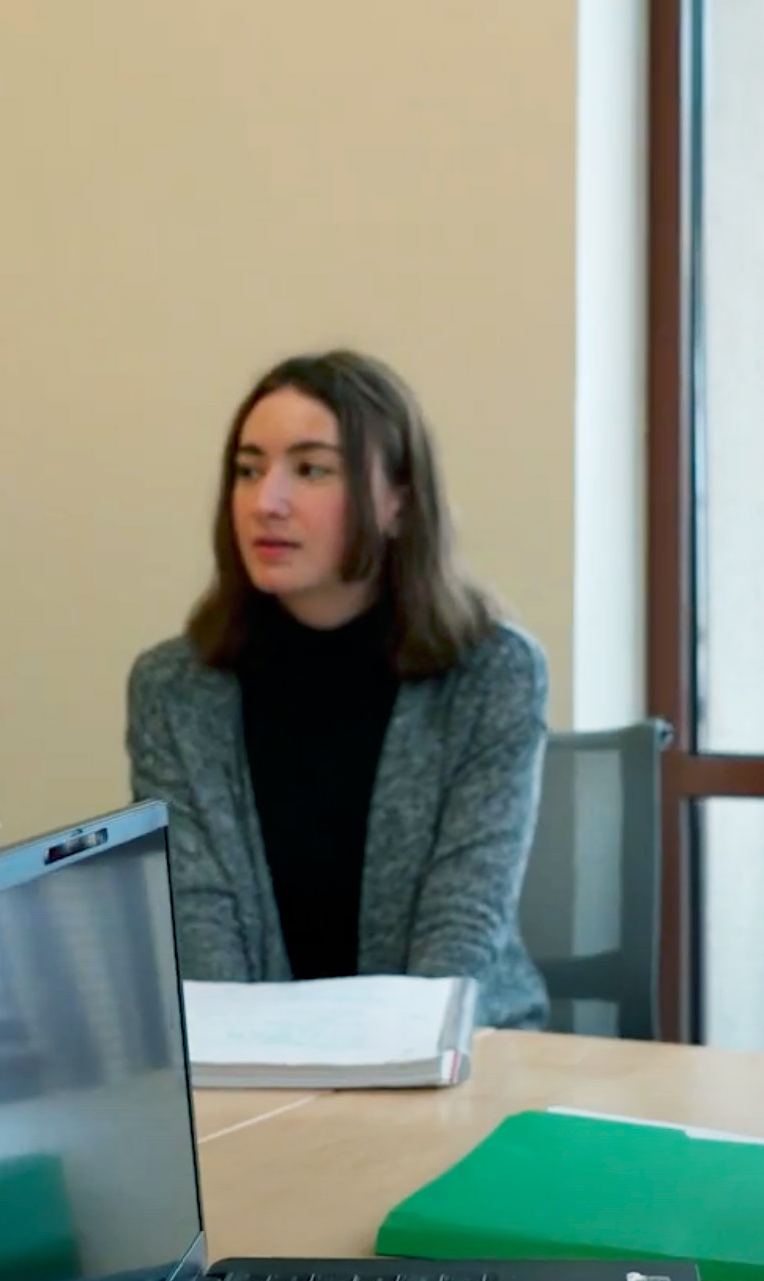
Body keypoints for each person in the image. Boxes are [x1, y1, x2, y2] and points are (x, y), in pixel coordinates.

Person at [126, 351, 548, 1029]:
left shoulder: (493, 674)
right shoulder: (175, 688)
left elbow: (463, 927)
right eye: (248, 469)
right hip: (255, 1067)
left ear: (399, 500)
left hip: (455, 1053)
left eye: (311, 468)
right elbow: (199, 931)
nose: (267, 501)